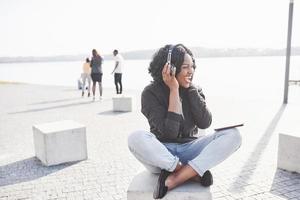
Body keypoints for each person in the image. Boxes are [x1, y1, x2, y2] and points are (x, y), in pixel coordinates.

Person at [128, 44, 242, 199]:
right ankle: (191, 173)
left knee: (233, 135)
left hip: (190, 149)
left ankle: (177, 177)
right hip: (161, 155)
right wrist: (174, 90)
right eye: (185, 67)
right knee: (135, 137)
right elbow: (170, 133)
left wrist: (191, 90)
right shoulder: (150, 93)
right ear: (170, 68)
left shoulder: (194, 90)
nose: (191, 71)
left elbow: (205, 123)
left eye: (192, 66)